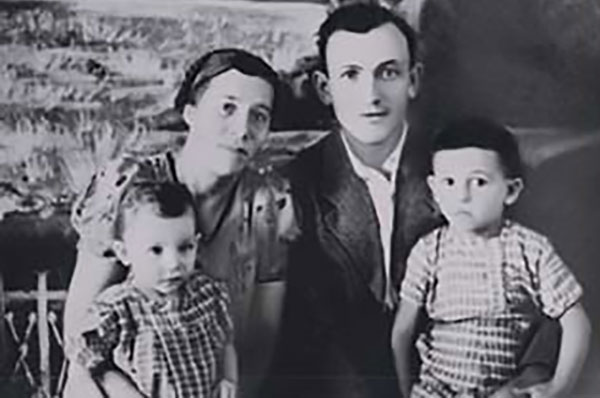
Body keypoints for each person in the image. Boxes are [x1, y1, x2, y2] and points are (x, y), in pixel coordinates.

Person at [64, 48, 296, 398]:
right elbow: (78, 333)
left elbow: (261, 340)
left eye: (259, 116)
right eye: (227, 108)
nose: (242, 130)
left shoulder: (267, 204)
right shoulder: (127, 186)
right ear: (190, 112)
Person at [269, 4, 437, 398]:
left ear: (413, 80)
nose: (372, 95)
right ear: (325, 89)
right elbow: (292, 339)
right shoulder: (294, 185)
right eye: (351, 75)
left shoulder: (462, 168)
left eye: (388, 73)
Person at [391, 118, 591, 398]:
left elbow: (576, 321)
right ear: (434, 189)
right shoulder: (429, 251)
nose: (461, 196)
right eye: (449, 182)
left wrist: (559, 388)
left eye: (479, 182)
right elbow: (402, 332)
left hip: (505, 390)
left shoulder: (531, 249)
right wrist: (404, 391)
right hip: (437, 389)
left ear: (511, 191)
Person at [67, 181, 236, 398]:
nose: (174, 263)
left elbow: (227, 344)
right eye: (156, 250)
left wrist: (229, 379)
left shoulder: (208, 295)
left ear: (197, 244)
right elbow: (88, 366)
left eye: (185, 247)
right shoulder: (117, 309)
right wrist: (122, 391)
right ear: (124, 252)